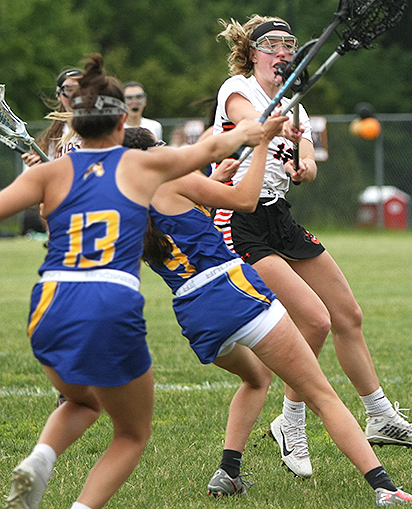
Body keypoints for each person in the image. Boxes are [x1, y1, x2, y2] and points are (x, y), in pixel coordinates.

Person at [0, 53, 272, 509]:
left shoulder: (49, 171)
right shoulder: (141, 165)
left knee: (82, 403)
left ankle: (41, 458)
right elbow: (207, 152)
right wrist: (252, 132)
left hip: (48, 302)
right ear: (122, 118)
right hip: (108, 298)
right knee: (131, 433)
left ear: (75, 123)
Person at [121, 127, 412, 506]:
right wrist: (262, 144)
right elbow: (246, 200)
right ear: (148, 157)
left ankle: (229, 471)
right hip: (233, 293)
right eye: (159, 146)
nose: (167, 149)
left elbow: (180, 222)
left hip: (193, 314)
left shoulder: (123, 207)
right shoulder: (175, 180)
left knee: (256, 378)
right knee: (323, 396)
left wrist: (213, 180)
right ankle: (386, 488)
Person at [212, 15, 412, 479]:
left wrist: (304, 165)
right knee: (313, 321)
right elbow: (250, 125)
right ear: (253, 53)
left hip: (279, 216)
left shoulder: (298, 108)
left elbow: (309, 161)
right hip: (239, 218)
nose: (281, 51)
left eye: (288, 44)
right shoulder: (237, 90)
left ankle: (378, 415)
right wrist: (277, 128)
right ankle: (290, 421)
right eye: (271, 44)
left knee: (347, 315)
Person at [21, 67, 84, 168]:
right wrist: (35, 169)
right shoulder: (49, 141)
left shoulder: (100, 131)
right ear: (59, 95)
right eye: (69, 90)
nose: (75, 96)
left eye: (81, 89)